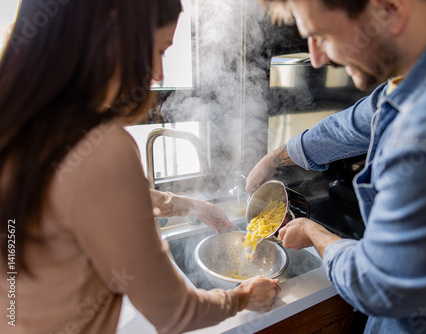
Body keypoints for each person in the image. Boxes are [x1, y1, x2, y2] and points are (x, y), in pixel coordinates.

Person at [0, 1, 280, 333]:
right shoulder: (102, 147)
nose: (159, 73)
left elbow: (85, 200)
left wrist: (189, 206)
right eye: (159, 50)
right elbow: (174, 312)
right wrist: (244, 295)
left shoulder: (20, 121)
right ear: (114, 33)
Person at [248, 0, 426, 332]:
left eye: (322, 36)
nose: (319, 57)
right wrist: (275, 158)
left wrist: (313, 231)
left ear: (391, 9)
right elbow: (357, 121)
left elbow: (374, 283)